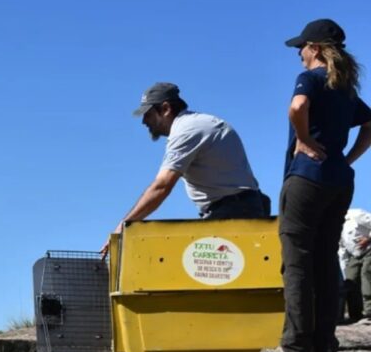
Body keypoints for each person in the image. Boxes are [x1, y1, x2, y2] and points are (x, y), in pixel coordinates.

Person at [260, 19, 371, 352]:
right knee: (325, 263)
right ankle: (325, 346)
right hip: (340, 181)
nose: (299, 52)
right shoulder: (346, 89)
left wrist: (305, 141)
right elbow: (370, 124)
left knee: (297, 263)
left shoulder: (311, 77)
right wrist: (347, 157)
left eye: (302, 47)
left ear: (317, 49)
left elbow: (297, 108)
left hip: (306, 179)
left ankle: (295, 346)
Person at [101, 82, 268, 257]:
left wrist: (124, 226)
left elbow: (162, 187)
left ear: (165, 109)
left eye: (148, 115)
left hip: (233, 212)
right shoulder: (199, 122)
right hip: (242, 207)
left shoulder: (186, 131)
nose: (144, 121)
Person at [338, 208, 371, 322]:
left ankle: (370, 311)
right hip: (354, 254)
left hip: (369, 249)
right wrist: (345, 268)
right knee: (350, 281)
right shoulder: (336, 225)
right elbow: (342, 249)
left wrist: (368, 238)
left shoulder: (356, 214)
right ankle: (355, 314)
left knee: (366, 274)